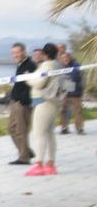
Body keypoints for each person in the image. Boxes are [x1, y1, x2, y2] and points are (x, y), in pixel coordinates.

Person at [26, 44, 70, 176]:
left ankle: (38, 164)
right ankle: (51, 164)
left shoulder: (47, 65)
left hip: (43, 101)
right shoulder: (58, 65)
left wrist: (28, 78)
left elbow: (39, 83)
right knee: (50, 133)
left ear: (45, 54)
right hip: (54, 102)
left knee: (38, 133)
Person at [6, 42, 36, 164]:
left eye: (17, 52)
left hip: (23, 103)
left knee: (21, 130)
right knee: (11, 128)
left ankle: (24, 157)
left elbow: (30, 86)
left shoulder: (30, 65)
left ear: (24, 52)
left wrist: (23, 101)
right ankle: (26, 151)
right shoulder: (21, 65)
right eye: (13, 53)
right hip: (15, 101)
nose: (15, 55)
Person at [58, 48, 85, 135]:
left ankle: (79, 128)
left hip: (75, 92)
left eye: (66, 57)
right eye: (62, 58)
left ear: (69, 57)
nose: (65, 59)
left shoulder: (75, 65)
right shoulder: (60, 67)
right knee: (63, 110)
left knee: (77, 111)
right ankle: (64, 128)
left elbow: (74, 78)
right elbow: (59, 79)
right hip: (65, 92)